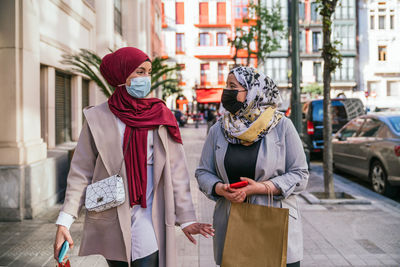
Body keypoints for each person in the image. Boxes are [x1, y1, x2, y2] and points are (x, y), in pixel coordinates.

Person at [53, 47, 214, 267]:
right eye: (139, 71)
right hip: (112, 216)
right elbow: (81, 172)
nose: (146, 78)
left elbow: (178, 171)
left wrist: (186, 218)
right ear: (121, 75)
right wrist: (65, 221)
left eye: (148, 72)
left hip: (152, 213)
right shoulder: (97, 117)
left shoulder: (161, 115)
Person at [195, 66, 309, 267]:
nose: (226, 92)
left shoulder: (282, 126)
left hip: (274, 226)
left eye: (233, 86)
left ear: (254, 91)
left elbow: (300, 174)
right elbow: (203, 172)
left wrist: (261, 187)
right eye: (226, 86)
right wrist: (219, 188)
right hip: (232, 226)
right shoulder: (218, 130)